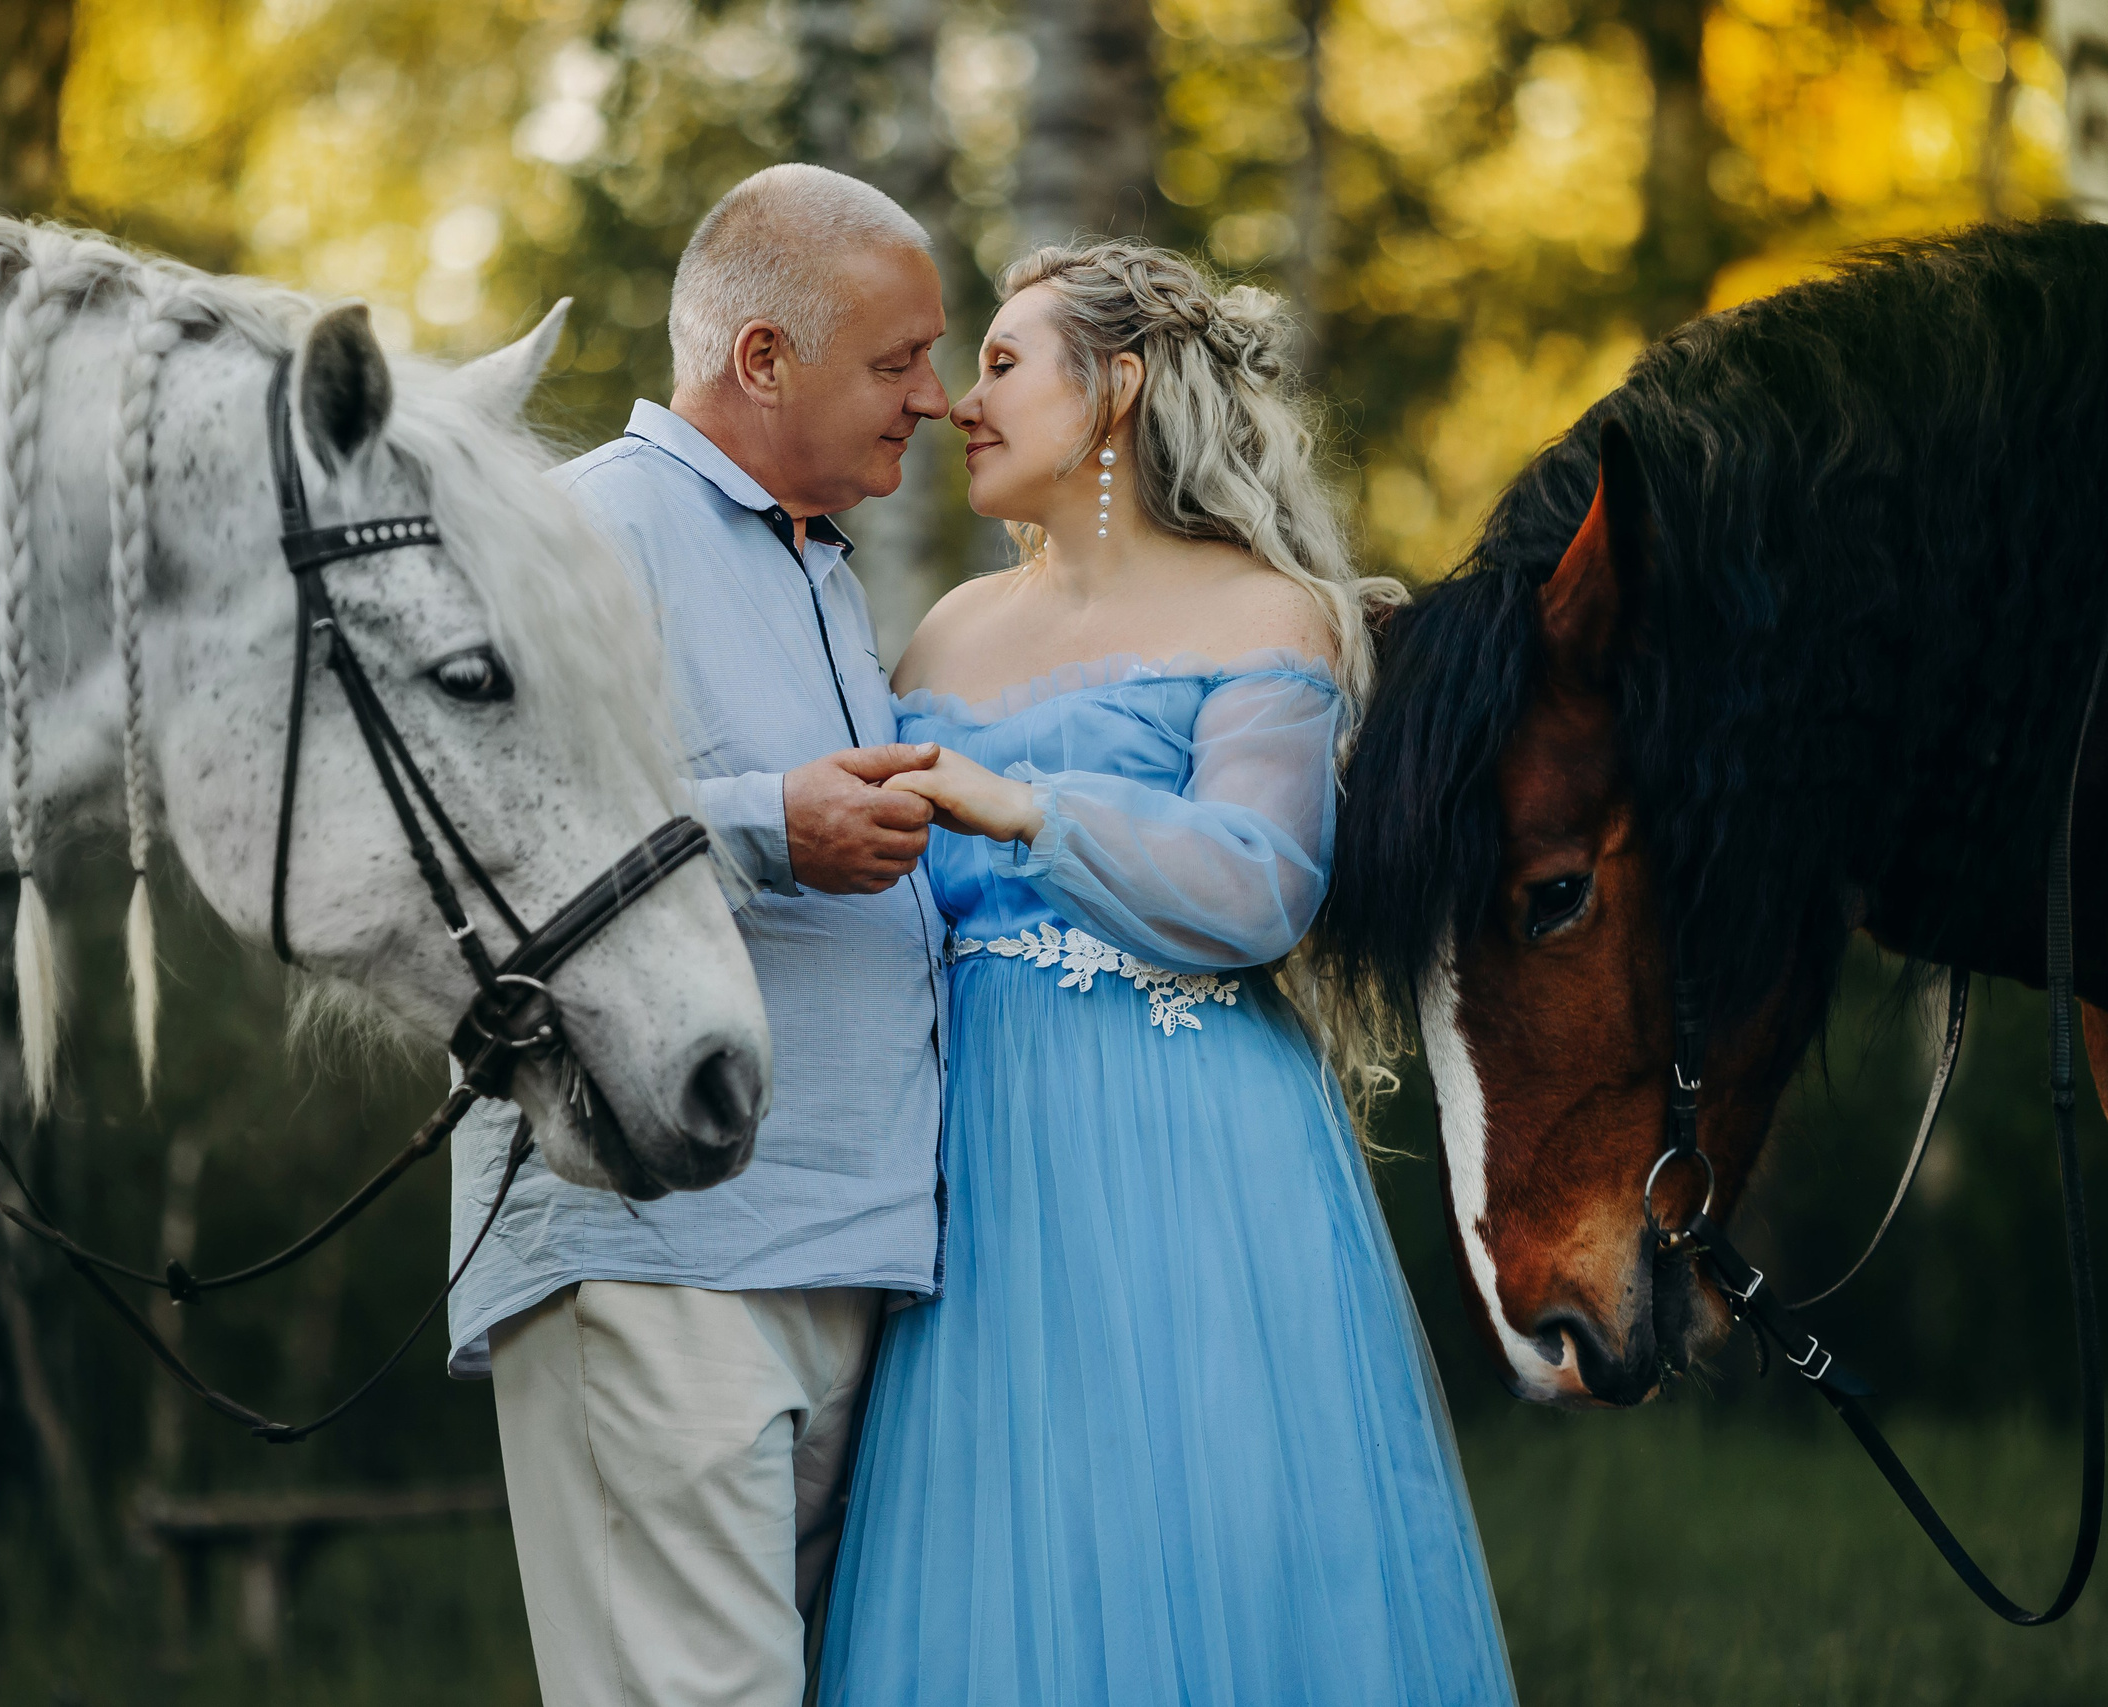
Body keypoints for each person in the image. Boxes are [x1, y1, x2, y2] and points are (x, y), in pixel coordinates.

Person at [816, 240, 1518, 1704]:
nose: (959, 404)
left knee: (1214, 1541)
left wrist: (1030, 808)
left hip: (1200, 1159)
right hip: (984, 1168)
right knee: (1007, 1560)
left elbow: (1259, 888)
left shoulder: (1263, 612)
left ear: (1119, 386)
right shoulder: (947, 630)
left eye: (1004, 364)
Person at [443, 163, 952, 1707]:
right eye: (897, 360)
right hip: (655, 1253)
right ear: (761, 361)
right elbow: (477, 842)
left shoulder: (820, 568)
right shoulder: (590, 526)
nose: (932, 399)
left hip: (846, 1252)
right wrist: (766, 827)